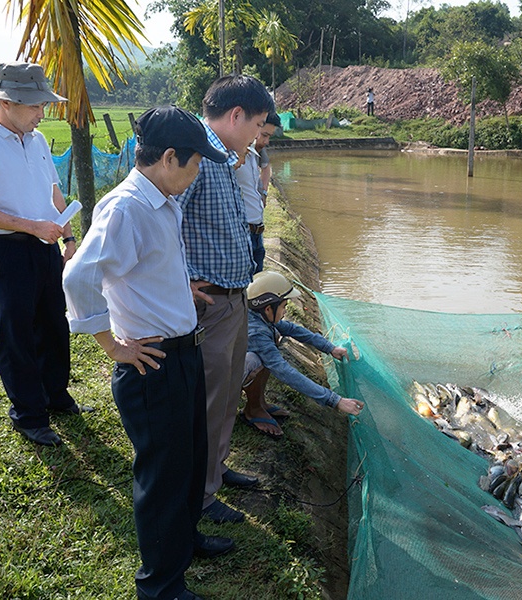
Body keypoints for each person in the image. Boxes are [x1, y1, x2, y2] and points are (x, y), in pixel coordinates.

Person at [63, 106, 233, 600]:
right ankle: (160, 586)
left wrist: (183, 293)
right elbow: (78, 278)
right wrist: (113, 345)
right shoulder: (127, 207)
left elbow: (147, 267)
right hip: (151, 362)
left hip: (182, 353)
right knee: (162, 474)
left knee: (190, 456)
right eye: (196, 162)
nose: (198, 171)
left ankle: (185, 542)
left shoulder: (163, 198)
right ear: (170, 157)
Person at [0, 62, 88, 447]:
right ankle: (29, 414)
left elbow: (52, 192)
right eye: (34, 106)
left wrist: (67, 235)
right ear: (6, 101)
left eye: (42, 105)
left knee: (53, 324)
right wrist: (31, 226)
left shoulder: (37, 140)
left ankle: (55, 396)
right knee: (16, 334)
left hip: (46, 246)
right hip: (6, 251)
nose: (41, 114)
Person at [177, 74, 275, 525]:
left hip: (232, 299)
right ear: (235, 116)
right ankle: (198, 495)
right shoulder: (192, 157)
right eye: (257, 124)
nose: (259, 134)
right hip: (209, 303)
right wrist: (180, 281)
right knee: (210, 398)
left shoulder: (224, 157)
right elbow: (162, 222)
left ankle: (214, 470)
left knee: (224, 393)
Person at [239, 271, 364, 438]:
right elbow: (284, 371)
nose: (285, 311)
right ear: (268, 308)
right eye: (284, 306)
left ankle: (259, 403)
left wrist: (329, 348)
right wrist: (335, 400)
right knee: (256, 359)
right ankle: (253, 411)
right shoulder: (255, 332)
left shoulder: (256, 315)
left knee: (273, 338)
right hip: (215, 384)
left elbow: (291, 329)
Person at [235, 111, 282, 273]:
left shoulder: (254, 153)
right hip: (242, 234)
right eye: (264, 135)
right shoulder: (232, 156)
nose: (266, 141)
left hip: (257, 233)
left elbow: (266, 169)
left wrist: (263, 193)